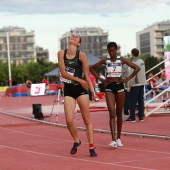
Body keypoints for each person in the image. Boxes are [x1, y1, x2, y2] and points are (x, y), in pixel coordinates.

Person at [90, 42, 140, 148]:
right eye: (109, 51)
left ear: (116, 50)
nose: (111, 53)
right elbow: (92, 68)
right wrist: (101, 79)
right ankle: (112, 140)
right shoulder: (105, 60)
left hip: (120, 87)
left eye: (113, 51)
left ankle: (118, 138)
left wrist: (126, 79)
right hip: (109, 88)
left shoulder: (121, 59)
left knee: (119, 114)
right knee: (112, 113)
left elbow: (136, 68)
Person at [58, 33, 98, 157]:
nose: (73, 37)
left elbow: (86, 75)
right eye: (72, 36)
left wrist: (93, 92)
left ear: (79, 43)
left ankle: (91, 147)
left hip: (81, 90)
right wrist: (79, 80)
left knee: (87, 120)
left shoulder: (81, 55)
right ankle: (77, 140)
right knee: (69, 121)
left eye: (76, 37)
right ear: (69, 40)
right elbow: (63, 73)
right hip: (69, 89)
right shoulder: (61, 53)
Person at [124, 48, 147, 122]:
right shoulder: (142, 61)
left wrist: (129, 86)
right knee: (141, 100)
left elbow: (132, 74)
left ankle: (132, 117)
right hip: (142, 82)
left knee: (132, 101)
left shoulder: (133, 63)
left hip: (135, 83)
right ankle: (141, 117)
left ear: (132, 54)